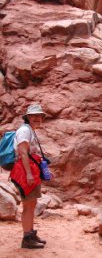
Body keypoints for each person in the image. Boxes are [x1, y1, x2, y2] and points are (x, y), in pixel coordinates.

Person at [10, 104, 49, 249]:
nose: (37, 118)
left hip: (31, 170)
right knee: (28, 205)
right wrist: (28, 174)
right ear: (28, 117)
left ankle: (31, 234)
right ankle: (27, 238)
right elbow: (23, 153)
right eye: (33, 116)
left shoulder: (30, 130)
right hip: (24, 171)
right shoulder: (24, 131)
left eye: (39, 115)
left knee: (32, 203)